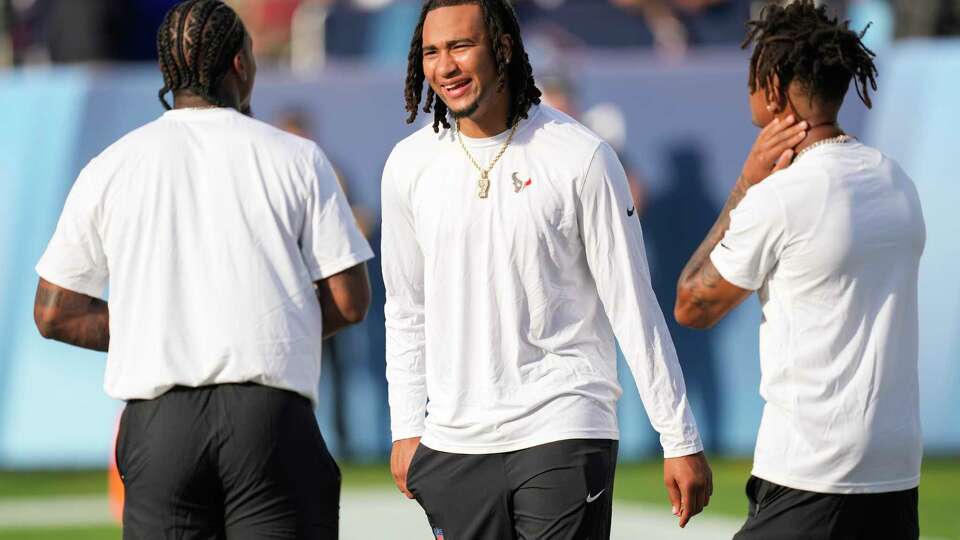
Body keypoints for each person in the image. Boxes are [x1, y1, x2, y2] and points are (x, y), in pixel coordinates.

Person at [32, 1, 373, 538]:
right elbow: (351, 299)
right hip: (269, 416)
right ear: (240, 65)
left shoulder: (112, 165)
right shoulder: (297, 157)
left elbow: (54, 312)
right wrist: (268, 327)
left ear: (167, 72)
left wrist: (159, 331)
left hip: (159, 421)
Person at [381, 1, 711, 539]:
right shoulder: (408, 166)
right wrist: (406, 427)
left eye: (461, 46)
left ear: (503, 49)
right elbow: (406, 307)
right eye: (432, 52)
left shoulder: (581, 156)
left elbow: (631, 301)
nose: (445, 67)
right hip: (454, 443)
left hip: (563, 424)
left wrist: (678, 437)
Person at [674, 2, 924, 539]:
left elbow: (692, 304)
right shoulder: (897, 181)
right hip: (896, 469)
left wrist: (745, 184)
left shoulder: (781, 197)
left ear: (772, 88)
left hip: (810, 467)